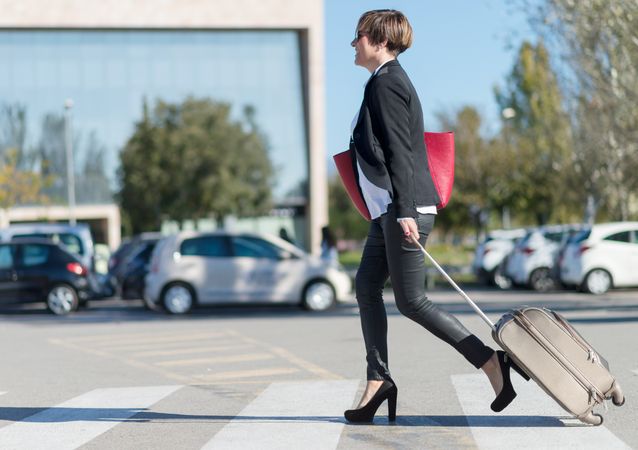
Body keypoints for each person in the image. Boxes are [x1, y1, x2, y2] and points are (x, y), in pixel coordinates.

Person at [343, 9, 528, 423]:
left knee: (412, 301)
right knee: (367, 286)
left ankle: (490, 363)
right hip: (389, 210)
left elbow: (401, 152)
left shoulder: (387, 84)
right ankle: (379, 380)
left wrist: (404, 209)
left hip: (403, 209)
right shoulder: (382, 81)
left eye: (357, 36)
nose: (352, 44)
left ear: (378, 38)